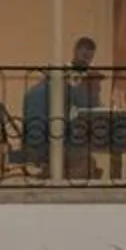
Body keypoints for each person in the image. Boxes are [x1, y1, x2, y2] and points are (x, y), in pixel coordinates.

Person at [19, 38, 102, 177]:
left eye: (89, 58)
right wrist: (93, 89)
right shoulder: (67, 80)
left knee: (87, 161)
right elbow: (87, 105)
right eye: (86, 57)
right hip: (46, 141)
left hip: (36, 138)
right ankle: (55, 178)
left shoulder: (42, 87)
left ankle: (53, 175)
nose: (87, 62)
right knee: (87, 161)